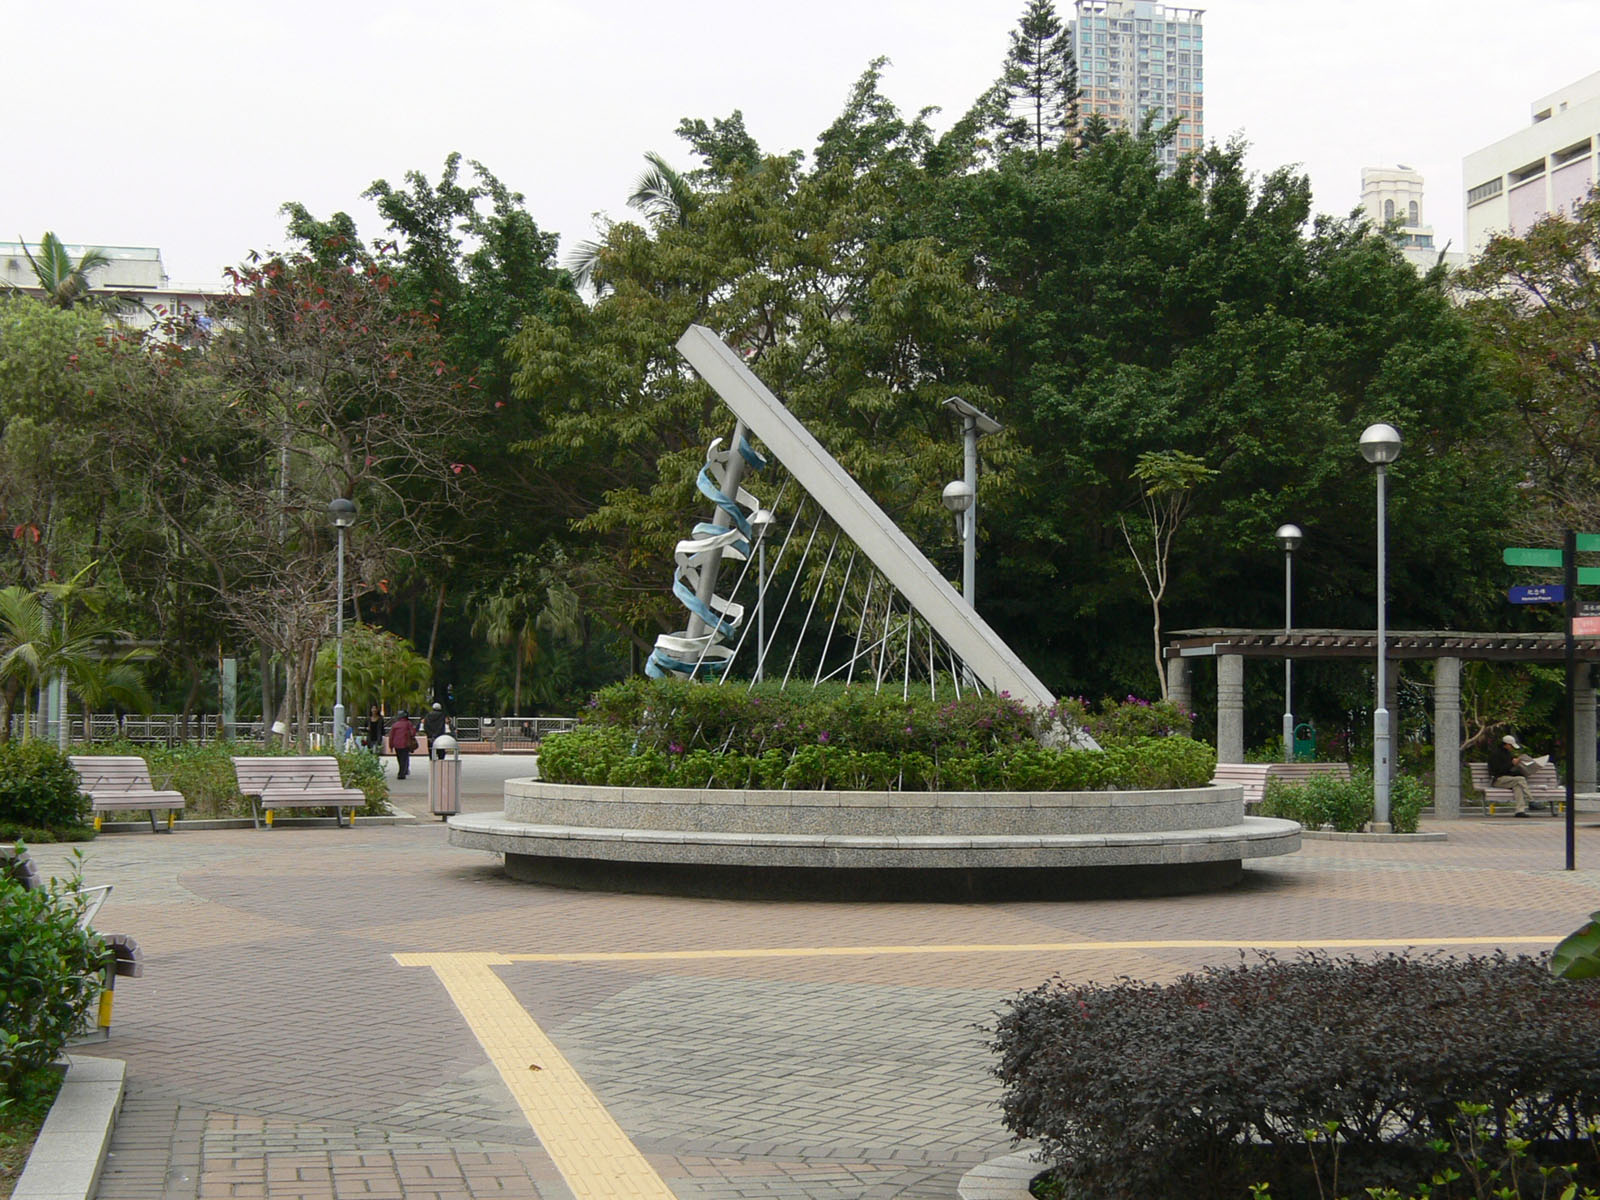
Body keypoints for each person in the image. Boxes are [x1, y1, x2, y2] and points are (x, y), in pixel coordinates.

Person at [1487, 732, 1536, 817]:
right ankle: (1531, 801)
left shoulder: (1508, 754)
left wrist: (1519, 767)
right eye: (1511, 746)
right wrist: (1512, 764)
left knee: (1518, 786)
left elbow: (1509, 770)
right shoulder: (1495, 754)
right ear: (1506, 745)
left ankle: (1519, 811)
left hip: (1507, 779)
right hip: (1498, 780)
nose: (1512, 748)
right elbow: (1497, 771)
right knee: (1520, 779)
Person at [388, 709, 418, 780]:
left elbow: (391, 736)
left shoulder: (395, 725)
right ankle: (402, 773)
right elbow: (413, 733)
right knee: (404, 758)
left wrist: (391, 746)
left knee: (399, 758)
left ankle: (401, 771)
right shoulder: (408, 723)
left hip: (396, 744)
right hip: (405, 743)